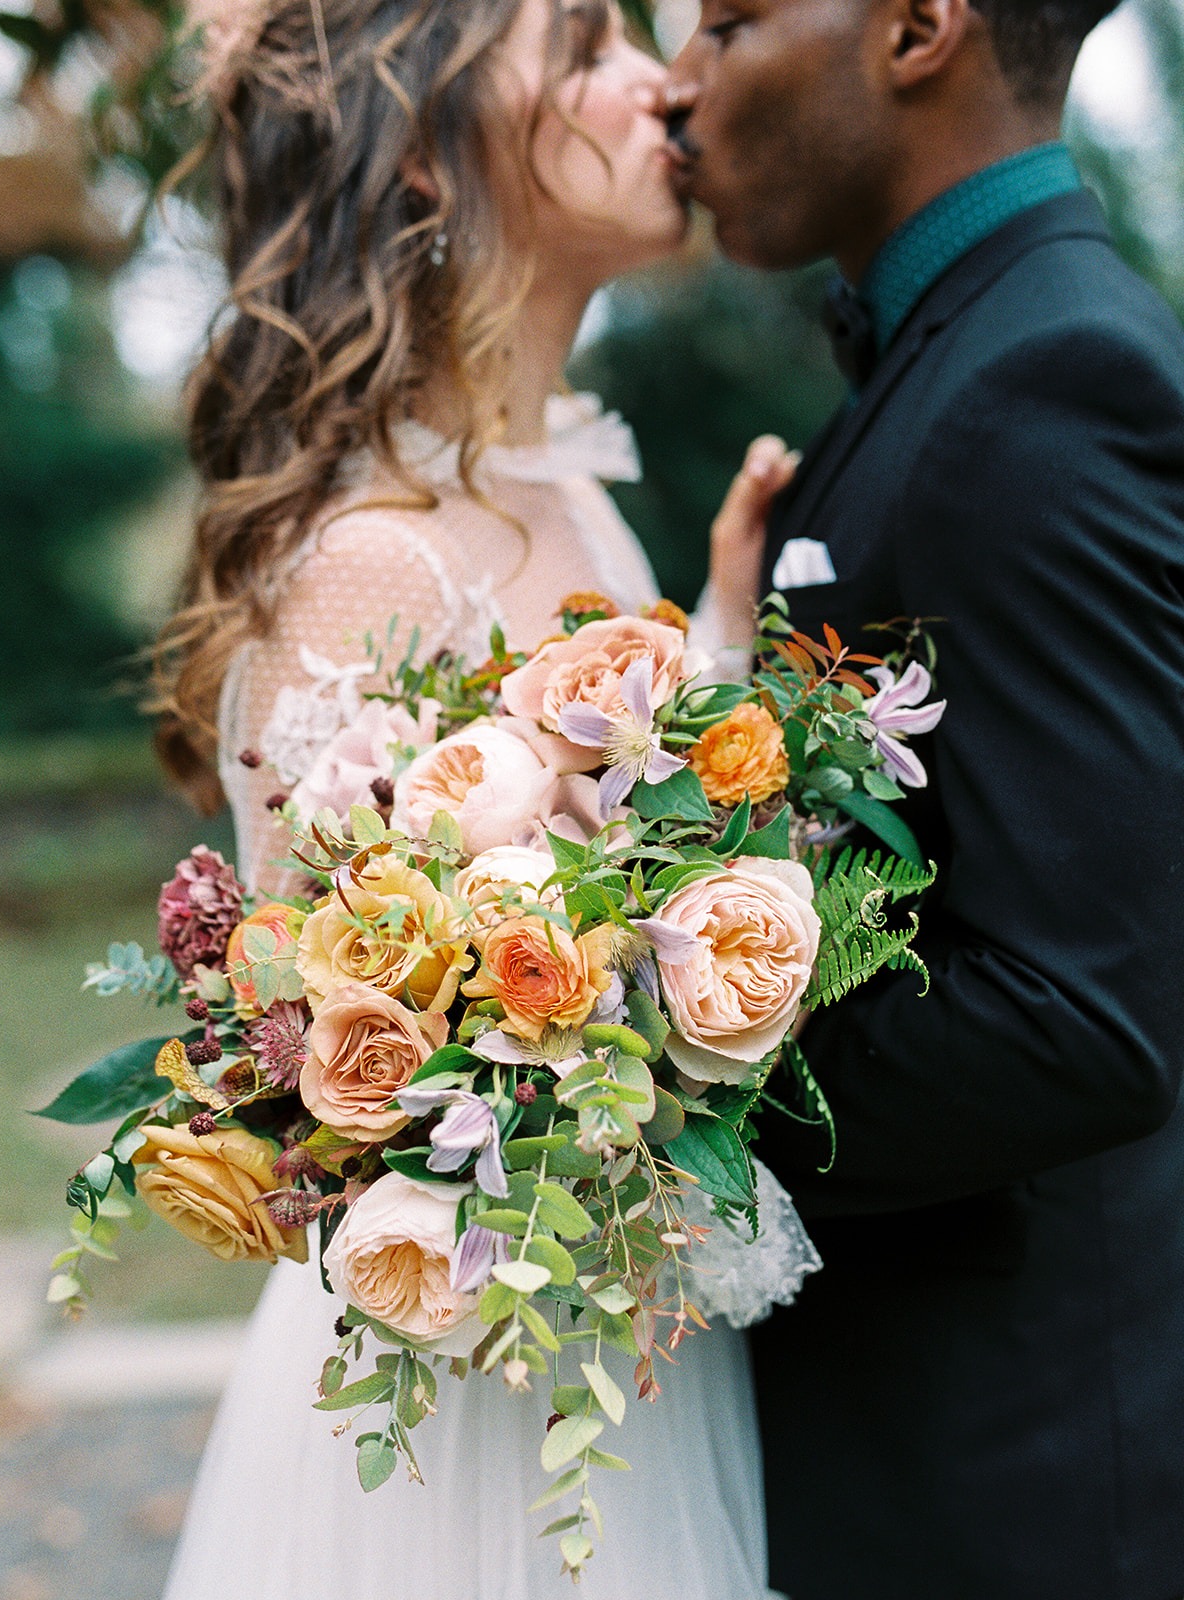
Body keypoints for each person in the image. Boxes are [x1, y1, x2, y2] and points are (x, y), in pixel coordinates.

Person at [151, 2, 804, 1596]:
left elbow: (623, 830)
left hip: (616, 1348)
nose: (660, 81)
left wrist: (716, 655)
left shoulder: (569, 486)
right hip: (459, 1395)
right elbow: (334, 1042)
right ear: (433, 164)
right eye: (585, 46)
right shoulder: (377, 555)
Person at [665, 0, 1184, 1596]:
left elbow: (1083, 1017)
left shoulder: (1047, 381)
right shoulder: (962, 358)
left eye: (732, 18)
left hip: (1013, 1486)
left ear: (918, 26)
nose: (678, 83)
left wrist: (637, 1082)